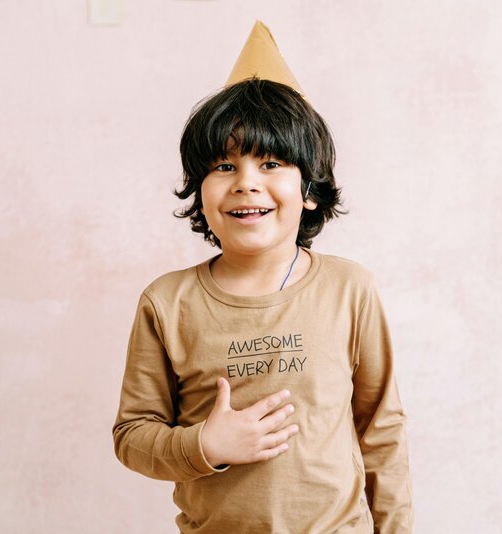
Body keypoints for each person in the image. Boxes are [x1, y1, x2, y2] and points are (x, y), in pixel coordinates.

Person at [112, 21, 413, 533]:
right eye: (223, 166)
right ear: (199, 192)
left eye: (271, 162)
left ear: (310, 189)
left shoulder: (350, 290)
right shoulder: (167, 302)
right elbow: (133, 436)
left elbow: (380, 428)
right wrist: (206, 445)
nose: (246, 183)